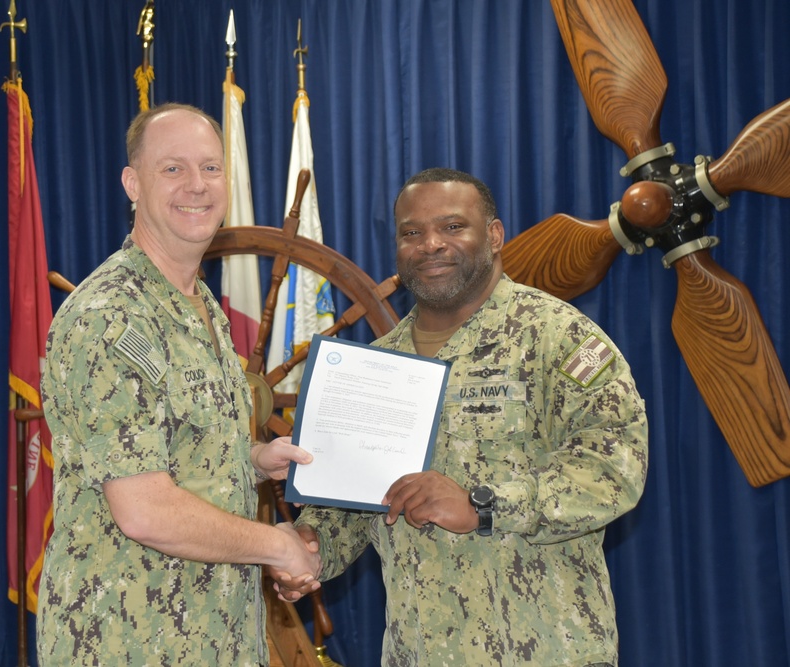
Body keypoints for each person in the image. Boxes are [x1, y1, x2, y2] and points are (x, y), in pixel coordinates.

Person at [276, 168, 648, 666]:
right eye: (412, 232)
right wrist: (310, 546)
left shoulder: (557, 339)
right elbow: (350, 503)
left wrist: (484, 504)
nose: (430, 244)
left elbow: (614, 470)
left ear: (493, 236)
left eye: (453, 227)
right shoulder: (374, 365)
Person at [38, 102, 320, 666]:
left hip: (214, 636)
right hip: (129, 638)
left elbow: (176, 447)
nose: (197, 185)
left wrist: (253, 457)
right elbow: (144, 509)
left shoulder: (198, 302)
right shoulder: (113, 315)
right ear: (132, 183)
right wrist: (276, 544)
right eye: (173, 169)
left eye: (211, 168)